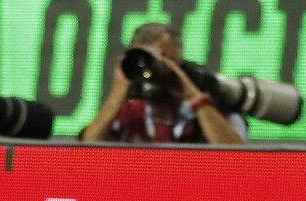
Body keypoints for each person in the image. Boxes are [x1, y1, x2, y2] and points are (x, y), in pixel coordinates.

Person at [80, 22, 247, 145]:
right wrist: (118, 92)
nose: (151, 70)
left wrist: (195, 98)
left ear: (180, 63)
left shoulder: (217, 109)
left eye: (164, 60)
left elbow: (238, 159)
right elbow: (87, 149)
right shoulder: (129, 112)